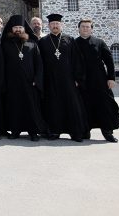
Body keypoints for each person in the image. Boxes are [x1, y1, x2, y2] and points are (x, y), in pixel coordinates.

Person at [38, 14, 88, 142]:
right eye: (52, 24)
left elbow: (77, 60)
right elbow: (40, 62)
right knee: (53, 106)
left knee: (72, 106)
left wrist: (78, 78)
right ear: (48, 26)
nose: (55, 26)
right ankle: (55, 131)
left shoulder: (69, 39)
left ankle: (75, 132)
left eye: (57, 24)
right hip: (50, 80)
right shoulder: (43, 42)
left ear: (62, 25)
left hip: (68, 80)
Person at [75, 18, 119, 142]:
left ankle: (107, 132)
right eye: (83, 26)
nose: (85, 28)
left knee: (105, 106)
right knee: (84, 107)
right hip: (82, 82)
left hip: (100, 80)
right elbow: (71, 63)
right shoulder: (74, 43)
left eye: (88, 26)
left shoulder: (99, 42)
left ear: (91, 29)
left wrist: (111, 78)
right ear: (79, 29)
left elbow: (109, 61)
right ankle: (85, 131)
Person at [0, 15, 46, 141]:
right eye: (15, 27)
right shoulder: (5, 44)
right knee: (15, 107)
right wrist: (4, 81)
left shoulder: (32, 44)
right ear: (11, 29)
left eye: (20, 27)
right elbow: (1, 64)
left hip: (30, 83)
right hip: (12, 83)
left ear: (24, 29)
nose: (18, 30)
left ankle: (33, 132)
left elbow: (39, 64)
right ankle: (15, 131)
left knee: (32, 108)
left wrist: (37, 80)